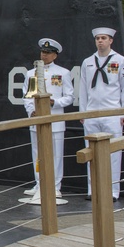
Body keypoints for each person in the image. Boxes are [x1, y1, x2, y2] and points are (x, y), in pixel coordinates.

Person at [79, 28, 124, 201]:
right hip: (92, 112)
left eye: (103, 38)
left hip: (113, 113)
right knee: (91, 153)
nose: (100, 41)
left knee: (114, 155)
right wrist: (83, 112)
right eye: (97, 38)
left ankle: (112, 191)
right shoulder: (88, 62)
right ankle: (92, 189)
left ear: (111, 40)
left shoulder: (120, 61)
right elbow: (83, 88)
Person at [21, 38, 74, 204]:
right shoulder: (32, 74)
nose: (44, 55)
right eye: (43, 52)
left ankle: (55, 186)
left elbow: (70, 97)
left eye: (48, 53)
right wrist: (31, 111)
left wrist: (54, 103)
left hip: (55, 120)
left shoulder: (63, 73)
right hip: (37, 120)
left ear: (55, 55)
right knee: (37, 154)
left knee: (55, 154)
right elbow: (27, 96)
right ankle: (39, 183)